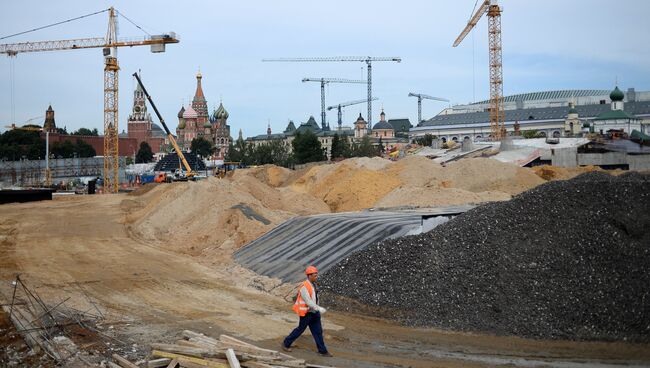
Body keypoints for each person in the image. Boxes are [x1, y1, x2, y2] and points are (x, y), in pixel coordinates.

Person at [282, 265, 332, 357]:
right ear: (309, 276)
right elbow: (308, 301)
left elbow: (315, 297)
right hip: (306, 313)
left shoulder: (314, 284)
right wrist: (319, 308)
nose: (316, 276)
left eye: (317, 274)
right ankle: (286, 343)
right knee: (300, 329)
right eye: (315, 275)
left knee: (318, 331)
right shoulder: (304, 286)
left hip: (314, 313)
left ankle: (323, 351)